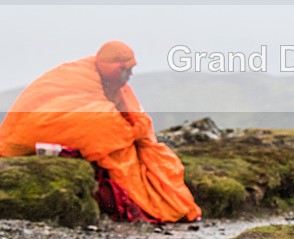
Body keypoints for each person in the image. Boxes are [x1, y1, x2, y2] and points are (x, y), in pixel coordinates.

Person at [0, 41, 202, 223]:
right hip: (25, 135)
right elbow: (96, 121)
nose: (129, 75)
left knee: (154, 155)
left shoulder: (113, 84)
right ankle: (150, 203)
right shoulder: (76, 77)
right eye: (125, 70)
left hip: (75, 132)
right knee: (119, 147)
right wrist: (130, 132)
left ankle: (167, 203)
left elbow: (131, 115)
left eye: (130, 70)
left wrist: (135, 130)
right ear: (114, 67)